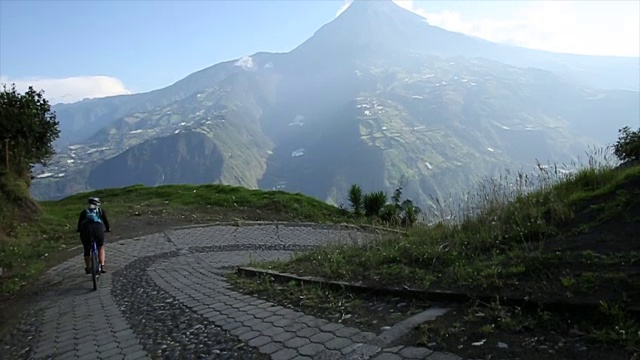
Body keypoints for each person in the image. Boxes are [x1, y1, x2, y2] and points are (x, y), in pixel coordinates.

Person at [77, 197, 111, 274]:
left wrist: (79, 230)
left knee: (86, 249)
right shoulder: (100, 211)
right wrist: (108, 229)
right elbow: (106, 222)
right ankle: (102, 266)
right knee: (100, 247)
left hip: (86, 231)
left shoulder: (84, 212)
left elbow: (79, 224)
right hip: (98, 230)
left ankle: (88, 267)